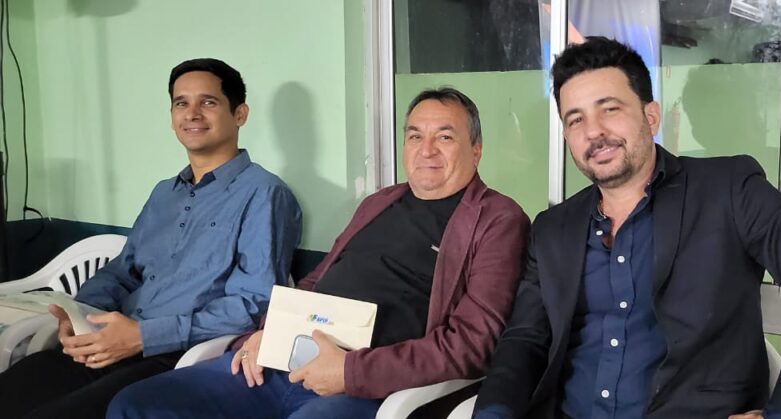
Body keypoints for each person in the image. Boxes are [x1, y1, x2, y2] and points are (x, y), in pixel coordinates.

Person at [473, 37, 781, 419]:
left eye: (609, 109)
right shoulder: (552, 229)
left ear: (650, 117)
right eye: (575, 119)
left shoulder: (727, 191)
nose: (593, 131)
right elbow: (525, 339)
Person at [108, 87, 530, 419]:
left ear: (476, 149)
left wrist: (350, 372)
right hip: (287, 358)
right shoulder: (379, 202)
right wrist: (267, 332)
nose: (426, 150)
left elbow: (472, 343)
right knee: (136, 405)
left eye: (445, 137)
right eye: (415, 135)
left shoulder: (497, 219)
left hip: (373, 385)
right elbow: (315, 281)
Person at [0, 58, 302, 419]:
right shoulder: (164, 193)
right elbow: (122, 271)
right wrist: (81, 314)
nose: (192, 113)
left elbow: (252, 303)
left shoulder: (264, 193)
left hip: (176, 356)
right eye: (181, 103)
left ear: (240, 114)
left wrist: (144, 335)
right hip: (112, 338)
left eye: (208, 102)